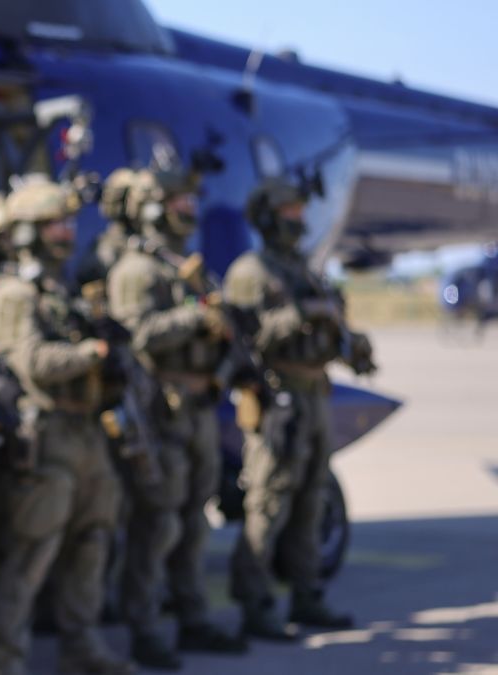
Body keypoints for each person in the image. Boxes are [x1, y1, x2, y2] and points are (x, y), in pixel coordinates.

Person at [0, 174, 130, 675]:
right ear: (26, 232)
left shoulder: (61, 288)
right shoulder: (14, 295)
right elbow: (33, 362)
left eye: (68, 223)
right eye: (53, 225)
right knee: (32, 552)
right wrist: (93, 352)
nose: (66, 233)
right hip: (45, 438)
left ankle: (81, 646)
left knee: (92, 543)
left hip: (85, 432)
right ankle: (8, 660)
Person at [224, 177, 375, 640]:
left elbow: (333, 323)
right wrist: (304, 314)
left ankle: (306, 595)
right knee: (269, 502)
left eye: (299, 213)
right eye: (289, 213)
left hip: (314, 396)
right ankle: (256, 602)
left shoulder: (304, 269)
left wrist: (352, 344)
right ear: (269, 217)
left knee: (311, 500)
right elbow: (244, 339)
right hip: (278, 398)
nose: (299, 220)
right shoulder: (252, 271)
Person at [107, 167, 246, 669]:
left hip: (199, 408)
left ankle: (192, 618)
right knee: (158, 523)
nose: (188, 212)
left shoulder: (184, 267)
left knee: (193, 520)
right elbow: (136, 337)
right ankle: (144, 626)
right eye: (177, 203)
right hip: (160, 413)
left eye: (190, 203)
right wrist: (196, 318)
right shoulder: (137, 271)